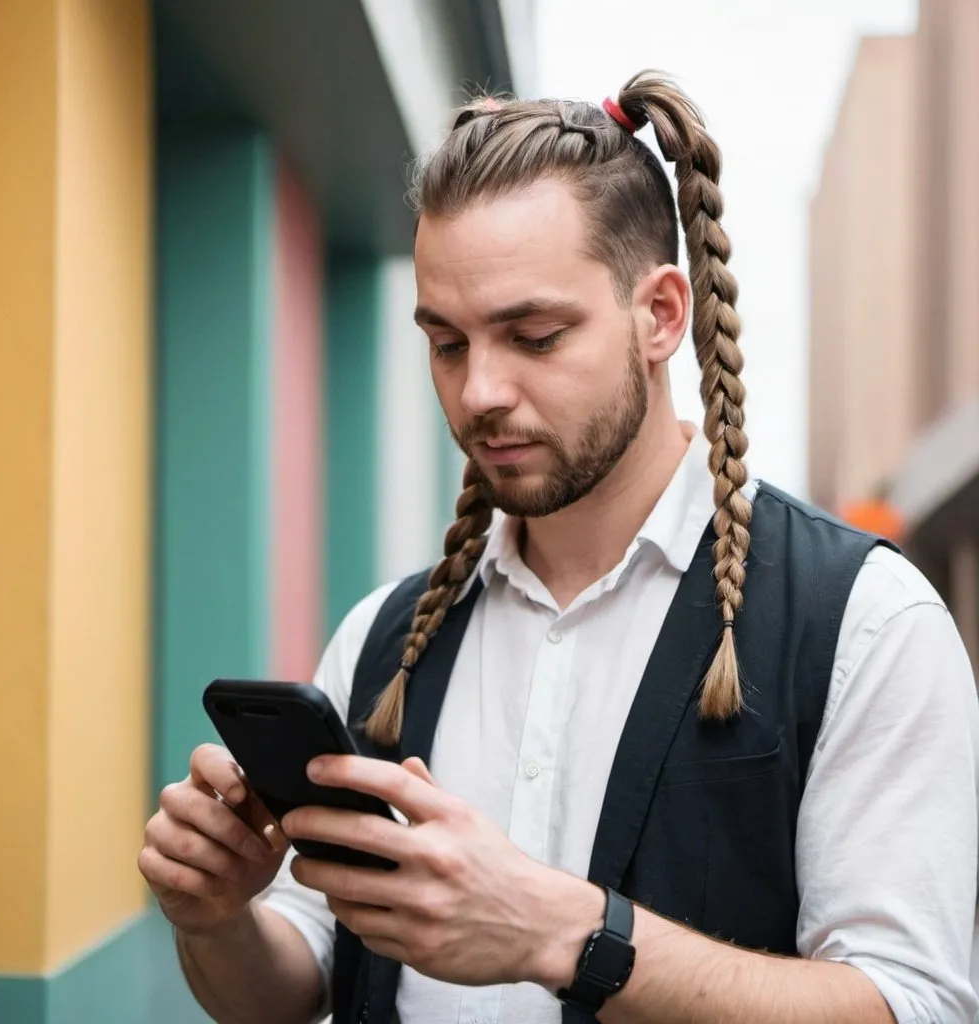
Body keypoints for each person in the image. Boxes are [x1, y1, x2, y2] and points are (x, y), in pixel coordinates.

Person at [138, 71, 979, 1024]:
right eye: (446, 343)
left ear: (661, 314)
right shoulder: (384, 639)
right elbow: (290, 987)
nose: (480, 390)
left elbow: (916, 1006)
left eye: (532, 336)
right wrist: (215, 919)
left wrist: (569, 934)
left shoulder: (866, 623)